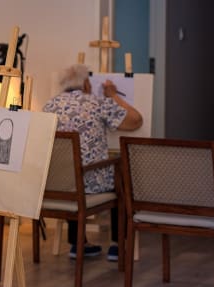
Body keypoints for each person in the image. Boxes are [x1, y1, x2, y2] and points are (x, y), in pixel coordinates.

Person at [43, 64, 142, 261]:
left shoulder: (48, 106)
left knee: (71, 171)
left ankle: (78, 243)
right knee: (119, 175)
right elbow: (136, 120)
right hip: (90, 183)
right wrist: (113, 95)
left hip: (58, 183)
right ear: (87, 84)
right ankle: (117, 245)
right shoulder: (97, 103)